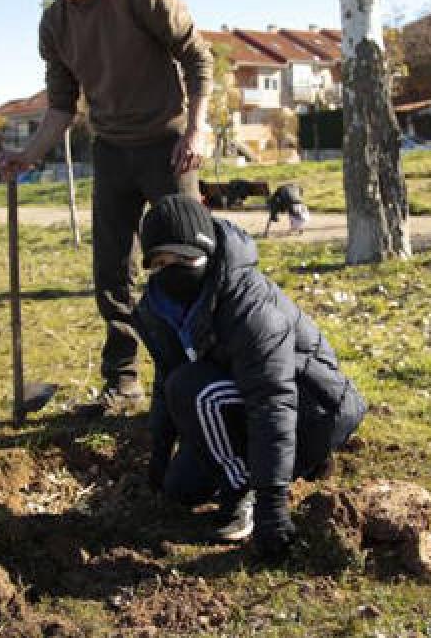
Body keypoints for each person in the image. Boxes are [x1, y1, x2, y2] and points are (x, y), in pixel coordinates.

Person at [0, 0, 213, 413]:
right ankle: (123, 382)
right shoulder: (54, 27)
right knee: (112, 274)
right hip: (112, 151)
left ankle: (197, 374)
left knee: (186, 262)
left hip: (168, 145)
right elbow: (59, 108)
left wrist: (199, 129)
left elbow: (197, 55)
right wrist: (28, 155)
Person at [134, 194, 367, 559]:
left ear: (206, 252)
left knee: (192, 389)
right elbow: (164, 380)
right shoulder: (157, 310)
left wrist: (272, 506)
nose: (172, 270)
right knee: (181, 488)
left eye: (183, 258)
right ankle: (258, 468)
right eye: (161, 262)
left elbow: (272, 399)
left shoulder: (248, 303)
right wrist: (159, 455)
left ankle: (246, 489)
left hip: (311, 404)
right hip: (233, 397)